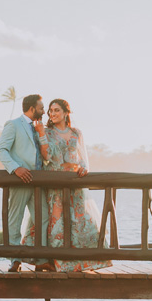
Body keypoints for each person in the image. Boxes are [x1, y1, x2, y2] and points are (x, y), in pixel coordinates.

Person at [22, 99, 112, 273]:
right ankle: (54, 262)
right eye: (50, 111)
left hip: (74, 185)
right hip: (54, 185)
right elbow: (46, 156)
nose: (53, 114)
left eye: (56, 110)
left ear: (65, 112)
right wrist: (41, 133)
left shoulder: (76, 133)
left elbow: (82, 158)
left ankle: (84, 261)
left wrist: (83, 169)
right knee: (56, 224)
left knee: (80, 221)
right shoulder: (46, 132)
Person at [0, 94, 46, 272]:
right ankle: (15, 260)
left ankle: (41, 260)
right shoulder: (14, 124)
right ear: (32, 108)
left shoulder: (39, 128)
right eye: (41, 108)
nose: (44, 111)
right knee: (15, 221)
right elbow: (1, 150)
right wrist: (16, 169)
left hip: (38, 183)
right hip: (20, 180)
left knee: (43, 218)